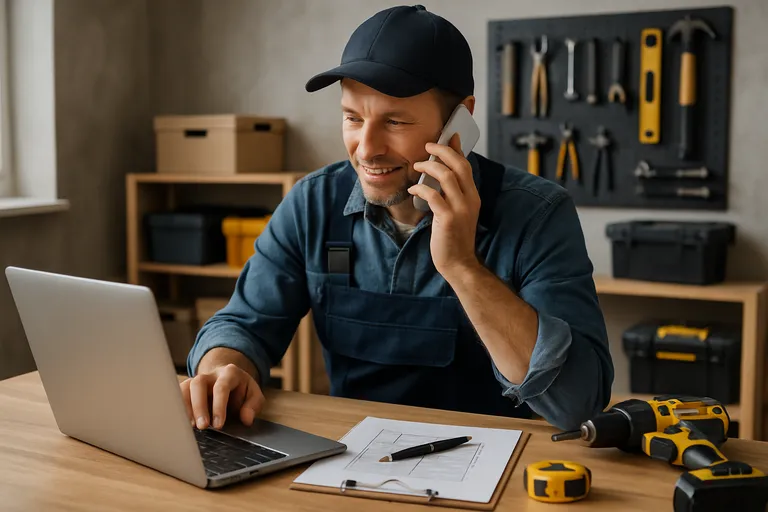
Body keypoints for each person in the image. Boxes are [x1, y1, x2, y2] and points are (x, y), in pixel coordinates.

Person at [181, 4, 613, 433]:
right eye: (353, 118)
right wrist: (224, 367)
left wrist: (462, 267)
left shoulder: (538, 215)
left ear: (458, 121)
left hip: (494, 474)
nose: (366, 149)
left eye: (395, 121)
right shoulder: (311, 203)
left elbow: (578, 404)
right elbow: (242, 324)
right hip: (349, 461)